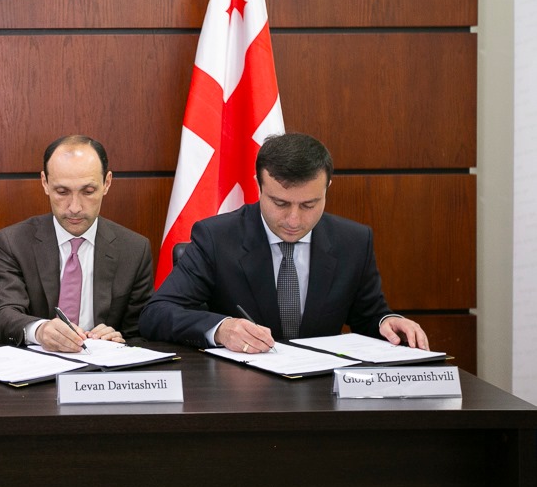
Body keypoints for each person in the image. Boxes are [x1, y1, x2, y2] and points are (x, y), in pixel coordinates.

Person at [139, 132, 429, 353]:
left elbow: (369, 316)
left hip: (322, 389)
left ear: (327, 188)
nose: (293, 219)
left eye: (309, 205)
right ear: (259, 185)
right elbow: (156, 314)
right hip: (242, 389)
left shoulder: (353, 241)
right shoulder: (216, 237)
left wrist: (387, 323)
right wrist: (220, 329)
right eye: (280, 203)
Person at [0, 135, 153, 352]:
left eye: (88, 191)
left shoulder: (134, 249)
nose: (75, 207)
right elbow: (2, 315)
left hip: (101, 369)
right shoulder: (14, 242)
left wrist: (119, 342)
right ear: (45, 183)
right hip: (36, 366)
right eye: (62, 192)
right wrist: (40, 331)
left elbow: (141, 334)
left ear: (107, 183)